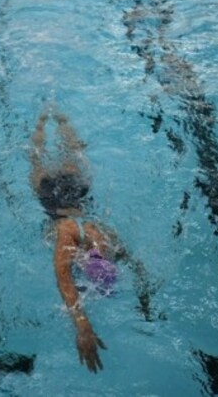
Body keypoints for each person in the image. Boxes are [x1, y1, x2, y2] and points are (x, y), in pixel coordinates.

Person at [29, 107, 155, 373]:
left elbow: (136, 266)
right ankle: (48, 119)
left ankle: (51, 118)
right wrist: (83, 326)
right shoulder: (69, 235)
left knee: (71, 155)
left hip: (79, 195)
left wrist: (145, 302)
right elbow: (64, 280)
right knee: (38, 162)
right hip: (54, 202)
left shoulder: (107, 238)